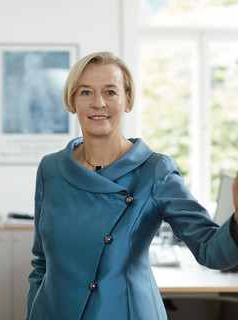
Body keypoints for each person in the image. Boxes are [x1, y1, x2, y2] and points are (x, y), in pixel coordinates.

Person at [25, 52, 238, 320]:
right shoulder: (50, 169)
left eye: (110, 92)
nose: (98, 103)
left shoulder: (155, 170)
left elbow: (210, 251)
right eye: (86, 92)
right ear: (72, 102)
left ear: (128, 100)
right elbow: (42, 263)